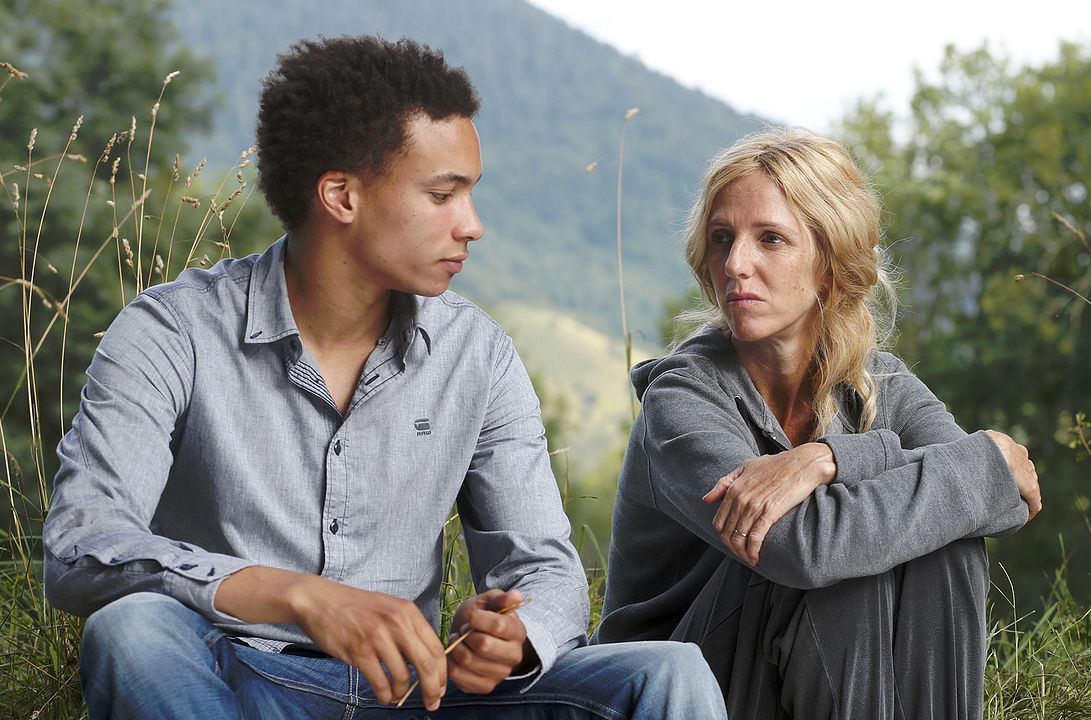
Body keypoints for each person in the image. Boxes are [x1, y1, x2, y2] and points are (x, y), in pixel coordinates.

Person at [43, 36, 727, 719]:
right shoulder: (172, 331)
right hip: (231, 682)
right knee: (130, 631)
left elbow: (543, 570)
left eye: (470, 194)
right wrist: (299, 597)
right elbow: (83, 547)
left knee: (665, 674)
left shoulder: (477, 354)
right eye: (442, 195)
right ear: (341, 195)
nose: (473, 226)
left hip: (415, 697)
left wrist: (514, 638)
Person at [592, 128, 1042, 719]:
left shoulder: (881, 384)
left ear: (829, 265)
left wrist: (827, 458)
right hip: (686, 686)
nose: (735, 263)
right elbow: (799, 549)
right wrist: (966, 466)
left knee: (945, 542)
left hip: (807, 676)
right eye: (721, 238)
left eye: (770, 239)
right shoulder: (680, 397)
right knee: (837, 565)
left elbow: (1001, 496)